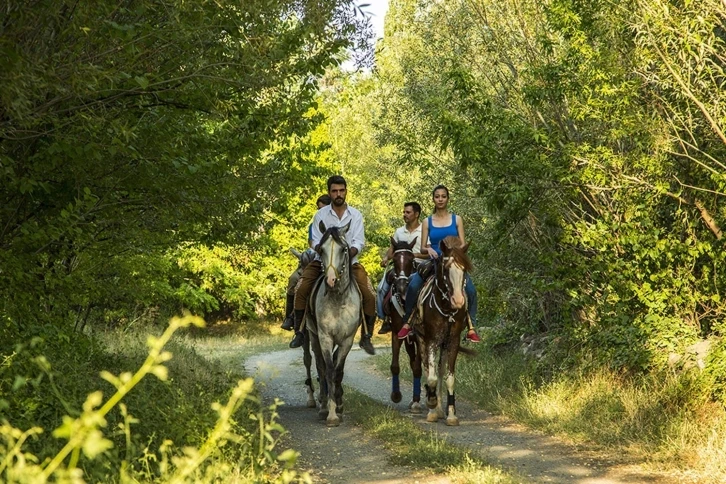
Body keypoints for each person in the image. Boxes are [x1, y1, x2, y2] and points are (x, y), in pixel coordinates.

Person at [289, 175, 378, 355]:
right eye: (335, 191)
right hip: (321, 262)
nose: (338, 194)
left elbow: (359, 242)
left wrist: (346, 254)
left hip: (350, 263)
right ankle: (298, 330)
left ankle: (366, 336)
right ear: (329, 192)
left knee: (370, 293)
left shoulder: (356, 215)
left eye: (341, 190)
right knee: (301, 287)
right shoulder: (320, 215)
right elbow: (313, 240)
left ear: (346, 191)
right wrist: (322, 250)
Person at [396, 185, 481, 343]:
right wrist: (429, 250)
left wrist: (454, 252)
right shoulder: (427, 222)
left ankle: (471, 327)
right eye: (437, 196)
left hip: (452, 261)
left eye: (443, 196)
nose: (440, 199)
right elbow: (422, 246)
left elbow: (463, 244)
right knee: (413, 286)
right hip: (434, 261)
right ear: (433, 199)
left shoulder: (457, 219)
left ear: (448, 199)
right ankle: (408, 322)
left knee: (471, 290)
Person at [281, 194, 331, 331]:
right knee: (294, 280)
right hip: (316, 260)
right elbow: (312, 244)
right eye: (319, 209)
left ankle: (364, 322)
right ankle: (291, 319)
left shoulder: (340, 223)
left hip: (337, 261)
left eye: (324, 208)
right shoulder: (313, 226)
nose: (321, 212)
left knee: (363, 285)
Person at [376, 202, 427, 334]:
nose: (404, 215)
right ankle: (385, 319)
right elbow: (392, 249)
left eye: (408, 212)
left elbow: (429, 252)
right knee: (381, 288)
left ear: (416, 214)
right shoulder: (399, 231)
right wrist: (386, 258)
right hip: (400, 267)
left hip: (420, 266)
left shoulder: (425, 230)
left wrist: (412, 255)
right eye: (404, 212)